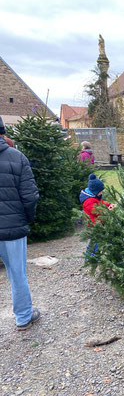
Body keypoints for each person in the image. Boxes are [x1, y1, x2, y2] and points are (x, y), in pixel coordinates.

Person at [0, 130, 40, 331]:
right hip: (12, 229)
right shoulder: (17, 157)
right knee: (17, 273)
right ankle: (23, 317)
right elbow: (30, 196)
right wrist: (27, 219)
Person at [79, 174, 115, 258]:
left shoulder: (95, 197)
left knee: (97, 241)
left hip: (98, 223)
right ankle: (90, 257)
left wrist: (108, 204)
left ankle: (94, 256)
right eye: (100, 192)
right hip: (93, 225)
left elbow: (101, 203)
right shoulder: (89, 201)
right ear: (95, 191)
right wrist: (107, 210)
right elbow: (96, 211)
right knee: (95, 241)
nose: (101, 193)